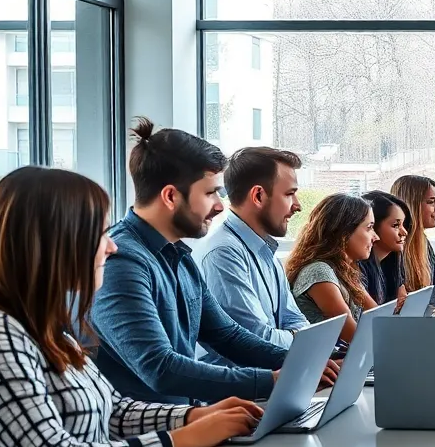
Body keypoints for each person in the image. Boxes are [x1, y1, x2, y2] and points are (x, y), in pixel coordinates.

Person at [0, 167, 266, 447]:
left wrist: (193, 417)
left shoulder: (47, 329)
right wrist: (180, 441)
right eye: (98, 234)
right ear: (55, 244)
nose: (110, 247)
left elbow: (111, 411)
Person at [93, 119, 318, 405]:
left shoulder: (180, 257)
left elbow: (227, 336)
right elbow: (160, 369)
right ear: (171, 196)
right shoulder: (121, 261)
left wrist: (303, 363)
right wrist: (270, 381)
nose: (220, 206)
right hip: (155, 435)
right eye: (210, 192)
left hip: (190, 423)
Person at [192, 147, 309, 358]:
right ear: (258, 196)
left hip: (274, 376)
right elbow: (257, 340)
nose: (297, 205)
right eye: (290, 194)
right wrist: (301, 340)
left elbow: (295, 320)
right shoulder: (223, 254)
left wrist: (299, 337)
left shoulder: (266, 250)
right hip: (242, 386)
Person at [287, 194, 378, 342]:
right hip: (327, 362)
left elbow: (377, 316)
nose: (375, 237)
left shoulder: (345, 270)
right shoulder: (318, 271)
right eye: (369, 228)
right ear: (344, 233)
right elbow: (353, 337)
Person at [390, 175, 435, 309]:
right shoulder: (393, 247)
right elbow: (407, 304)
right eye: (431, 201)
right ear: (411, 205)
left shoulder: (423, 242)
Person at [359, 190, 410, 308]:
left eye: (403, 224)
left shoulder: (394, 262)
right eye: (396, 225)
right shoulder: (356, 269)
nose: (404, 232)